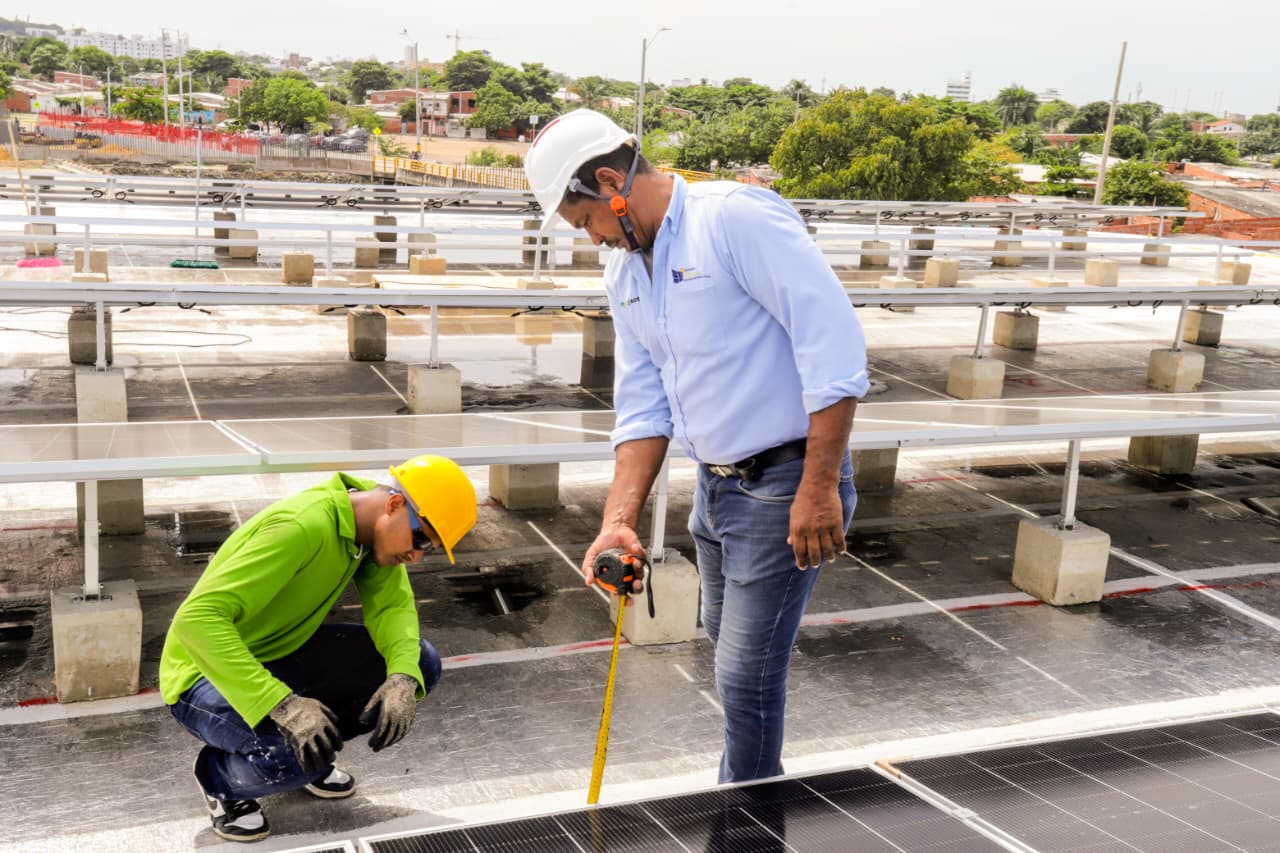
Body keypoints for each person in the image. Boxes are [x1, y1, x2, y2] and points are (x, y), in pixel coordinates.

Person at [525, 110, 868, 784]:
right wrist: (617, 520)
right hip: (715, 489)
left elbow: (834, 347)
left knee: (745, 673)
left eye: (585, 222)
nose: (593, 240)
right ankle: (745, 789)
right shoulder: (627, 273)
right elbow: (644, 403)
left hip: (787, 479)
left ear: (609, 183)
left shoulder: (735, 219)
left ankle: (745, 813)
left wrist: (820, 485)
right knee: (726, 643)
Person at [159, 455, 477, 842]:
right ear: (394, 505)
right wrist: (285, 706)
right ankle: (220, 778)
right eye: (422, 538)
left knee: (419, 663)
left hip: (279, 653)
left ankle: (312, 750)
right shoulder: (301, 527)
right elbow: (197, 620)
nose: (416, 555)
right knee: (287, 761)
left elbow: (392, 608)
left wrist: (402, 677)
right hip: (203, 674)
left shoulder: (367, 530)